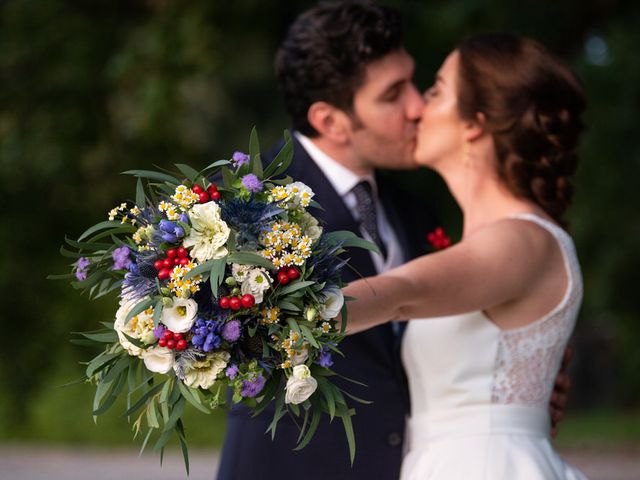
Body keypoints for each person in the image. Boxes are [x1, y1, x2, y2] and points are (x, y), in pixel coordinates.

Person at [216, 2, 570, 479]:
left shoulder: (418, 212)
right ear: (331, 120)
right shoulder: (248, 214)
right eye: (392, 94)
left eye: (417, 82)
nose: (417, 107)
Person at [343, 33, 587, 479]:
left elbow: (403, 291)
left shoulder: (523, 240)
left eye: (435, 90)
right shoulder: (479, 240)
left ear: (474, 123)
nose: (417, 107)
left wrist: (286, 310)